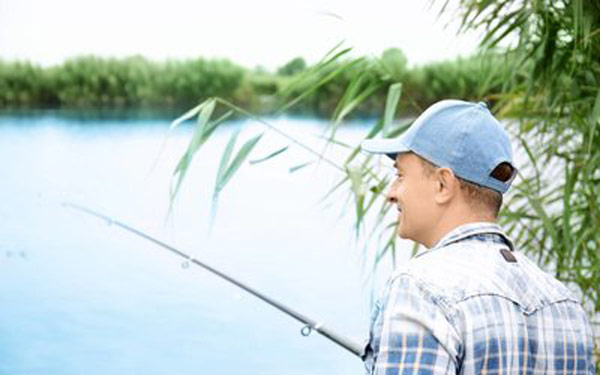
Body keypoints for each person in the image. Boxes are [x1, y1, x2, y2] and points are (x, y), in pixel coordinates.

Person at [360, 100, 595, 375]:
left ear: (442, 184)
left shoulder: (419, 289)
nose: (390, 192)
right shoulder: (565, 304)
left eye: (400, 175)